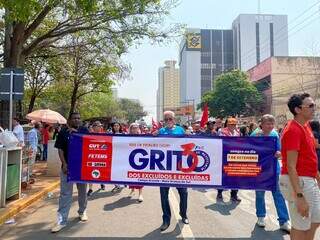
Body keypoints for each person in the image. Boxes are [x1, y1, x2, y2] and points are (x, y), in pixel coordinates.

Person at [279, 93, 320, 240]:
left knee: (315, 220)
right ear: (297, 110)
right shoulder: (293, 130)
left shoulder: (306, 126)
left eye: (313, 105)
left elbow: (310, 157)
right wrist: (299, 196)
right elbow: (291, 166)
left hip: (309, 179)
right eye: (310, 106)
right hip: (298, 181)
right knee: (301, 225)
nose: (313, 108)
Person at [251, 114, 291, 232]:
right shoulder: (254, 135)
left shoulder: (274, 134)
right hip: (259, 170)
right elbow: (250, 150)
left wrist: (279, 153)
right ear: (262, 124)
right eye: (268, 124)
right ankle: (261, 217)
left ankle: (284, 221)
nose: (270, 126)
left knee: (278, 194)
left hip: (273, 169)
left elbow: (280, 150)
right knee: (259, 194)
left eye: (272, 124)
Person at [51, 112, 89, 233]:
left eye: (79, 118)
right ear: (69, 120)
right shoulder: (63, 132)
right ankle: (61, 220)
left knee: (82, 192)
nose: (77, 120)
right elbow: (60, 150)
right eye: (74, 118)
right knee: (65, 194)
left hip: (82, 169)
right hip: (67, 168)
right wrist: (65, 164)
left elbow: (90, 144)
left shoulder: (84, 130)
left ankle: (82, 212)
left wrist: (77, 134)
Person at [154, 110, 189, 232]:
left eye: (170, 119)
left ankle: (183, 214)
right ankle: (166, 219)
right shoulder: (161, 131)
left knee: (183, 193)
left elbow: (189, 143)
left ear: (174, 120)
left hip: (179, 168)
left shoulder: (181, 130)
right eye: (166, 119)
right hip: (164, 168)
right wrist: (152, 136)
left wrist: (189, 135)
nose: (168, 121)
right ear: (163, 121)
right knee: (164, 196)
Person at [217, 117, 241, 203]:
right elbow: (221, 142)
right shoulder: (222, 131)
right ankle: (219, 193)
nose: (232, 126)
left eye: (234, 124)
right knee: (223, 176)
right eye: (231, 124)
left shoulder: (238, 133)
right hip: (224, 156)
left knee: (236, 176)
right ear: (227, 124)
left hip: (235, 157)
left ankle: (234, 195)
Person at [87, 121, 105, 196]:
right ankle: (90, 189)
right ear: (94, 127)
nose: (100, 127)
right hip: (92, 157)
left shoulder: (104, 136)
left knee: (101, 170)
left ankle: (102, 183)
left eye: (100, 126)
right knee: (91, 172)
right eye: (98, 126)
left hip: (101, 157)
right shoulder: (89, 136)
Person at [128, 123, 144, 202]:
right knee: (131, 176)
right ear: (130, 129)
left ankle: (140, 194)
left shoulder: (142, 137)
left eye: (136, 128)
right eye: (133, 128)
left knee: (139, 177)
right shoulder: (126, 137)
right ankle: (132, 189)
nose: (134, 129)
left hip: (140, 159)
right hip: (130, 159)